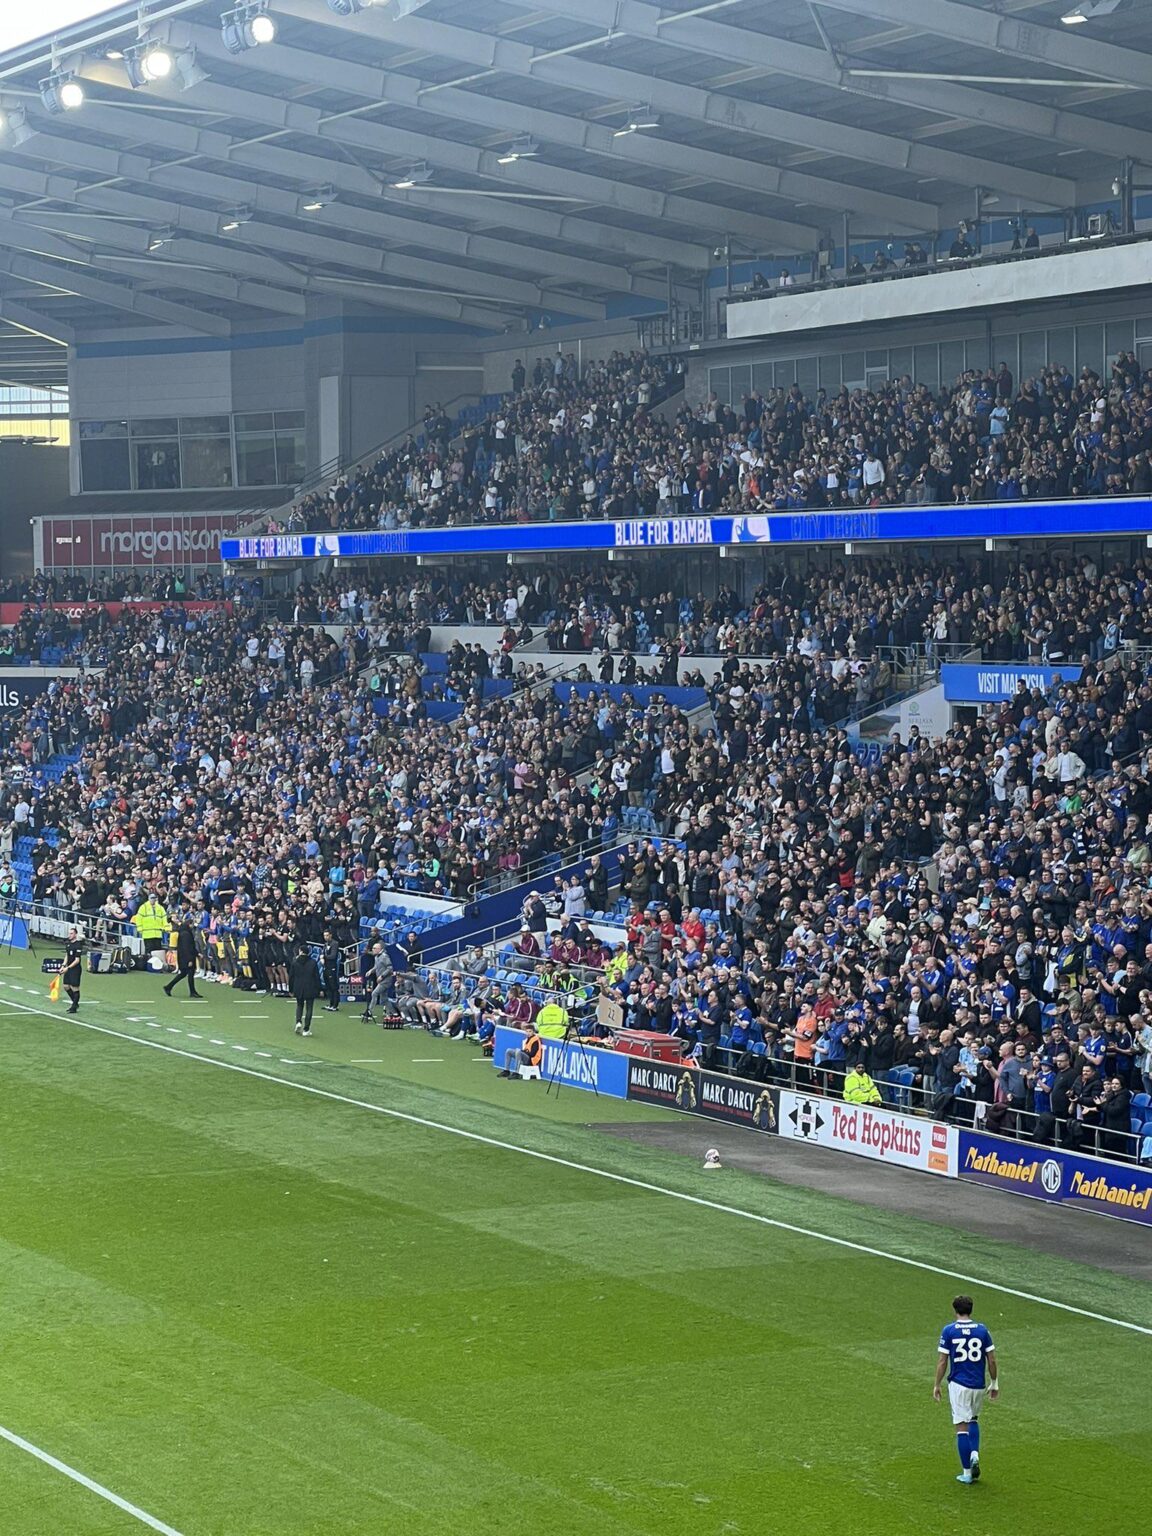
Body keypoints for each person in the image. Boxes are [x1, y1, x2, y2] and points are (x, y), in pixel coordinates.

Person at [933, 1294, 998, 1484]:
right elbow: (992, 1359)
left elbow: (942, 1361)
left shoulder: (949, 1331)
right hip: (978, 1384)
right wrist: (994, 1382)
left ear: (955, 1310)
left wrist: (937, 1384)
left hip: (959, 1384)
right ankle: (975, 1453)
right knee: (974, 1419)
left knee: (961, 1427)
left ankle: (967, 1473)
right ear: (971, 1309)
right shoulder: (982, 1330)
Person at [164, 917, 202, 1000]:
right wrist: (190, 960)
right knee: (189, 974)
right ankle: (192, 992)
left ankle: (169, 986)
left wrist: (197, 953)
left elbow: (189, 947)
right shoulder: (186, 934)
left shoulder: (183, 932)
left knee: (183, 974)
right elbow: (187, 948)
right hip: (187, 958)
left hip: (183, 957)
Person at [289, 943, 322, 1037]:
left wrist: (290, 989)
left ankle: (298, 1021)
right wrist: (319, 988)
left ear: (301, 951)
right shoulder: (313, 962)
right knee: (309, 1008)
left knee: (299, 1005)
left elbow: (291, 977)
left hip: (298, 987)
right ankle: (306, 1029)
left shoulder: (295, 962)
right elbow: (317, 977)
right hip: (310, 987)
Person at [60, 927, 84, 1015]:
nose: (69, 935)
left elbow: (77, 960)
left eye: (71, 934)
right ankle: (75, 1003)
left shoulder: (78, 945)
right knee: (66, 986)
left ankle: (74, 1006)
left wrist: (68, 968)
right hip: (68, 968)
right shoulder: (68, 944)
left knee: (74, 987)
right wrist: (63, 965)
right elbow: (67, 955)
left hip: (75, 969)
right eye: (69, 933)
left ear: (75, 934)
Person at [322, 929, 342, 1013]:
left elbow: (333, 956)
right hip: (326, 967)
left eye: (327, 935)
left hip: (332, 967)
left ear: (330, 935)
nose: (325, 937)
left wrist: (324, 956)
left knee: (333, 987)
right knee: (328, 987)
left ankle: (335, 1005)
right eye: (324, 935)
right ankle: (330, 1004)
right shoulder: (325, 944)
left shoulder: (335, 944)